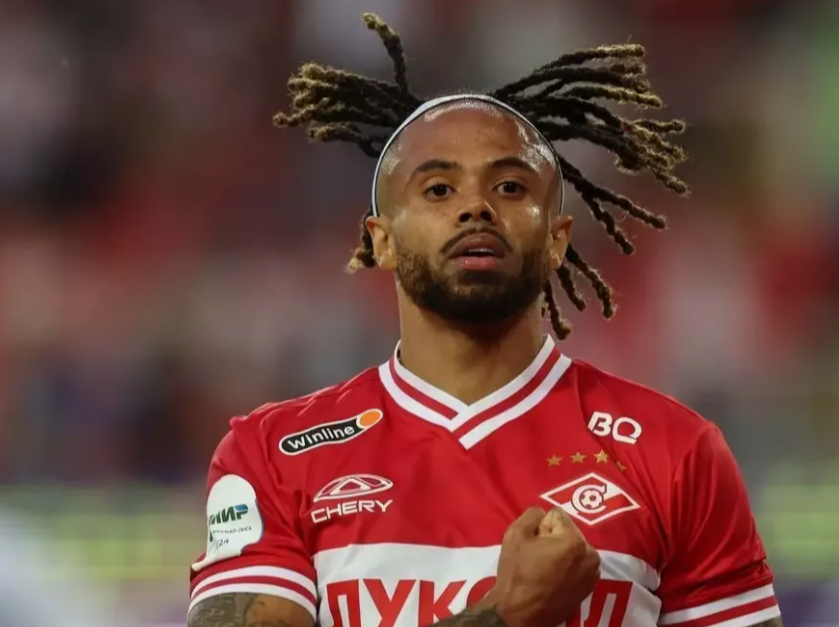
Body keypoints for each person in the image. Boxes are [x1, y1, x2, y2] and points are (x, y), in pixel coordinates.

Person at [188, 14, 781, 627]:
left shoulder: (676, 451)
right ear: (381, 240)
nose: (476, 206)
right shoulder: (271, 456)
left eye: (510, 187)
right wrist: (508, 612)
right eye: (438, 190)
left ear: (557, 240)